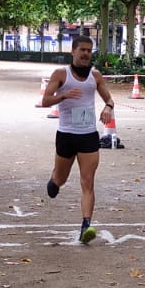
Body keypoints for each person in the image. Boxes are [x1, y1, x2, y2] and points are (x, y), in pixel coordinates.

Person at [41, 35, 115, 244]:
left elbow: (109, 99)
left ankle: (86, 226)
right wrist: (62, 96)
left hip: (88, 136)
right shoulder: (61, 74)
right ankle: (55, 179)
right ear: (73, 52)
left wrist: (108, 107)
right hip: (66, 135)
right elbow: (45, 100)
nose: (85, 54)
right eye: (82, 50)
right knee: (60, 180)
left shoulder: (96, 76)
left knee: (88, 181)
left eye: (89, 51)